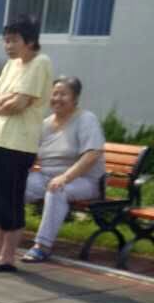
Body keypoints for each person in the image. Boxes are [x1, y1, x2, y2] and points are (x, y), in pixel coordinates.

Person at [0, 15, 53, 273]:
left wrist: (1, 102)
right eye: (6, 40)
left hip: (19, 143)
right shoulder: (11, 65)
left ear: (30, 40)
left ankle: (7, 257)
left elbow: (19, 104)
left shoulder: (40, 63)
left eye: (14, 40)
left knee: (11, 198)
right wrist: (1, 101)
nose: (8, 46)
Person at [21, 77, 105, 264]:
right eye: (54, 94)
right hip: (47, 176)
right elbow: (32, 154)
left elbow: (92, 154)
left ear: (75, 98)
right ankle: (5, 235)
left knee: (57, 189)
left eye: (63, 94)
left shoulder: (86, 119)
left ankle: (42, 246)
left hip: (84, 181)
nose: (57, 98)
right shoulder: (45, 124)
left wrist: (65, 177)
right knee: (15, 183)